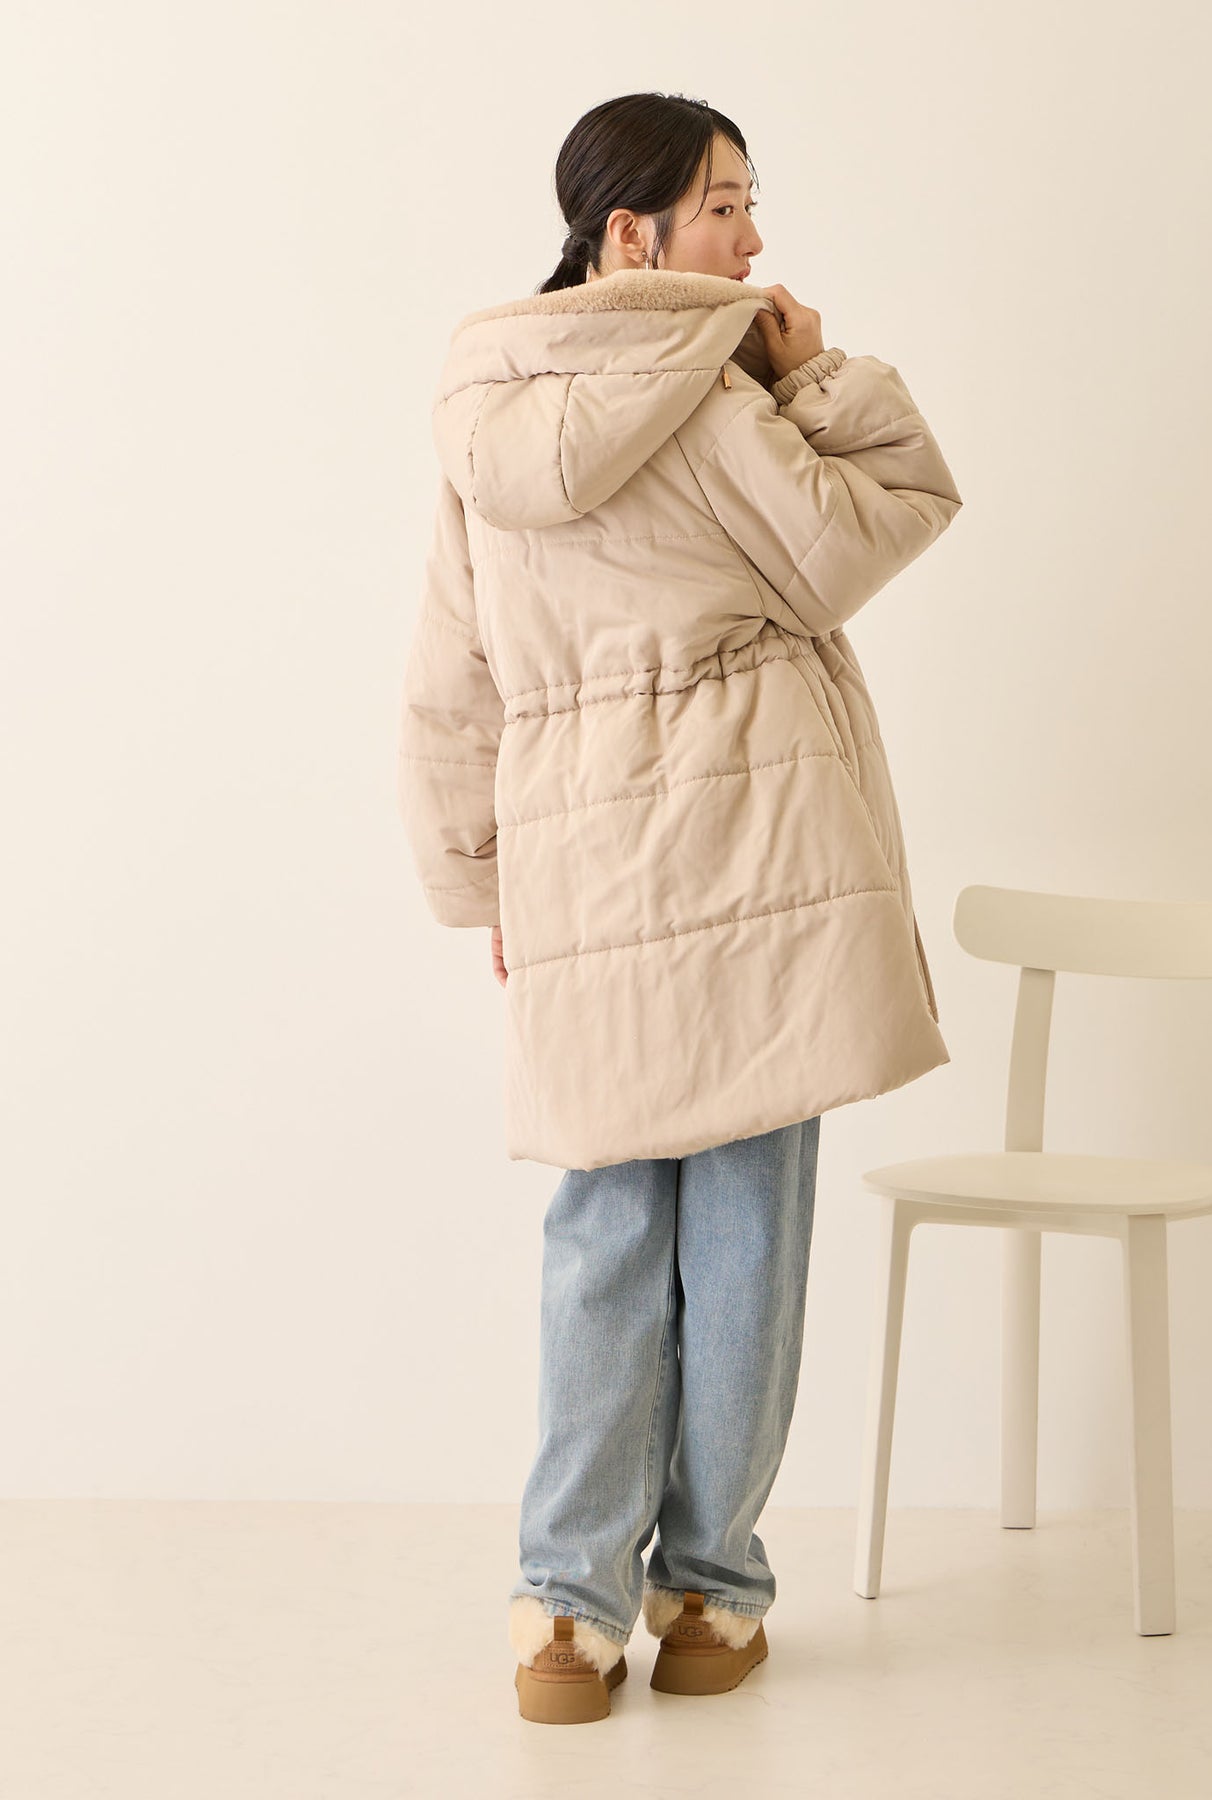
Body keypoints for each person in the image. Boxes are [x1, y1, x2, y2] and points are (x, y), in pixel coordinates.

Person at [395, 91, 963, 1724]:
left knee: (600, 1233)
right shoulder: (718, 396)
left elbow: (451, 673)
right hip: (759, 849)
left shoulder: (484, 416)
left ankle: (562, 1615)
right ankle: (708, 1592)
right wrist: (811, 374)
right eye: (725, 205)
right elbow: (881, 522)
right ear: (630, 233)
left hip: (581, 863)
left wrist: (480, 879)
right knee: (746, 1237)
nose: (752, 238)